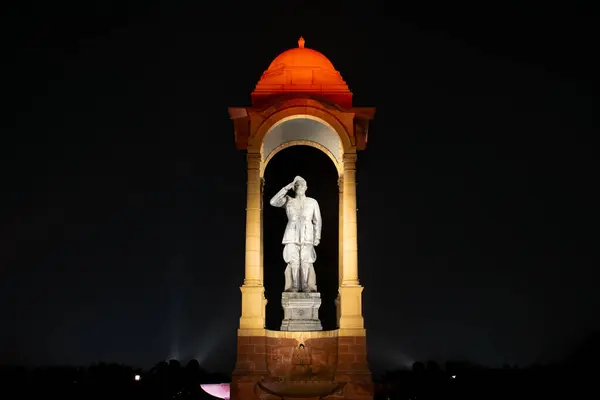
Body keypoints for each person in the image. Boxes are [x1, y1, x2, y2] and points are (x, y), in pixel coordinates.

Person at [269, 176, 322, 292]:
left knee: (306, 260)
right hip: (291, 234)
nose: (300, 187)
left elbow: (317, 220)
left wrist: (317, 236)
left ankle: (305, 285)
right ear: (294, 187)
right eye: (297, 185)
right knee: (293, 260)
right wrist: (286, 187)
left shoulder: (312, 202)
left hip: (307, 235)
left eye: (302, 184)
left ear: (306, 187)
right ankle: (294, 285)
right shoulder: (288, 200)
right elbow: (273, 202)